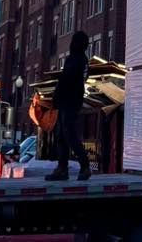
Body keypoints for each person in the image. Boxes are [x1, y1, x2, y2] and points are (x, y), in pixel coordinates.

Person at [47, 30, 91, 181]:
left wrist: (56, 97)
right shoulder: (83, 60)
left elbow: (66, 80)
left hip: (69, 102)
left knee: (68, 134)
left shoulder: (75, 59)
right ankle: (62, 168)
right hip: (72, 101)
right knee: (62, 135)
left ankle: (84, 166)